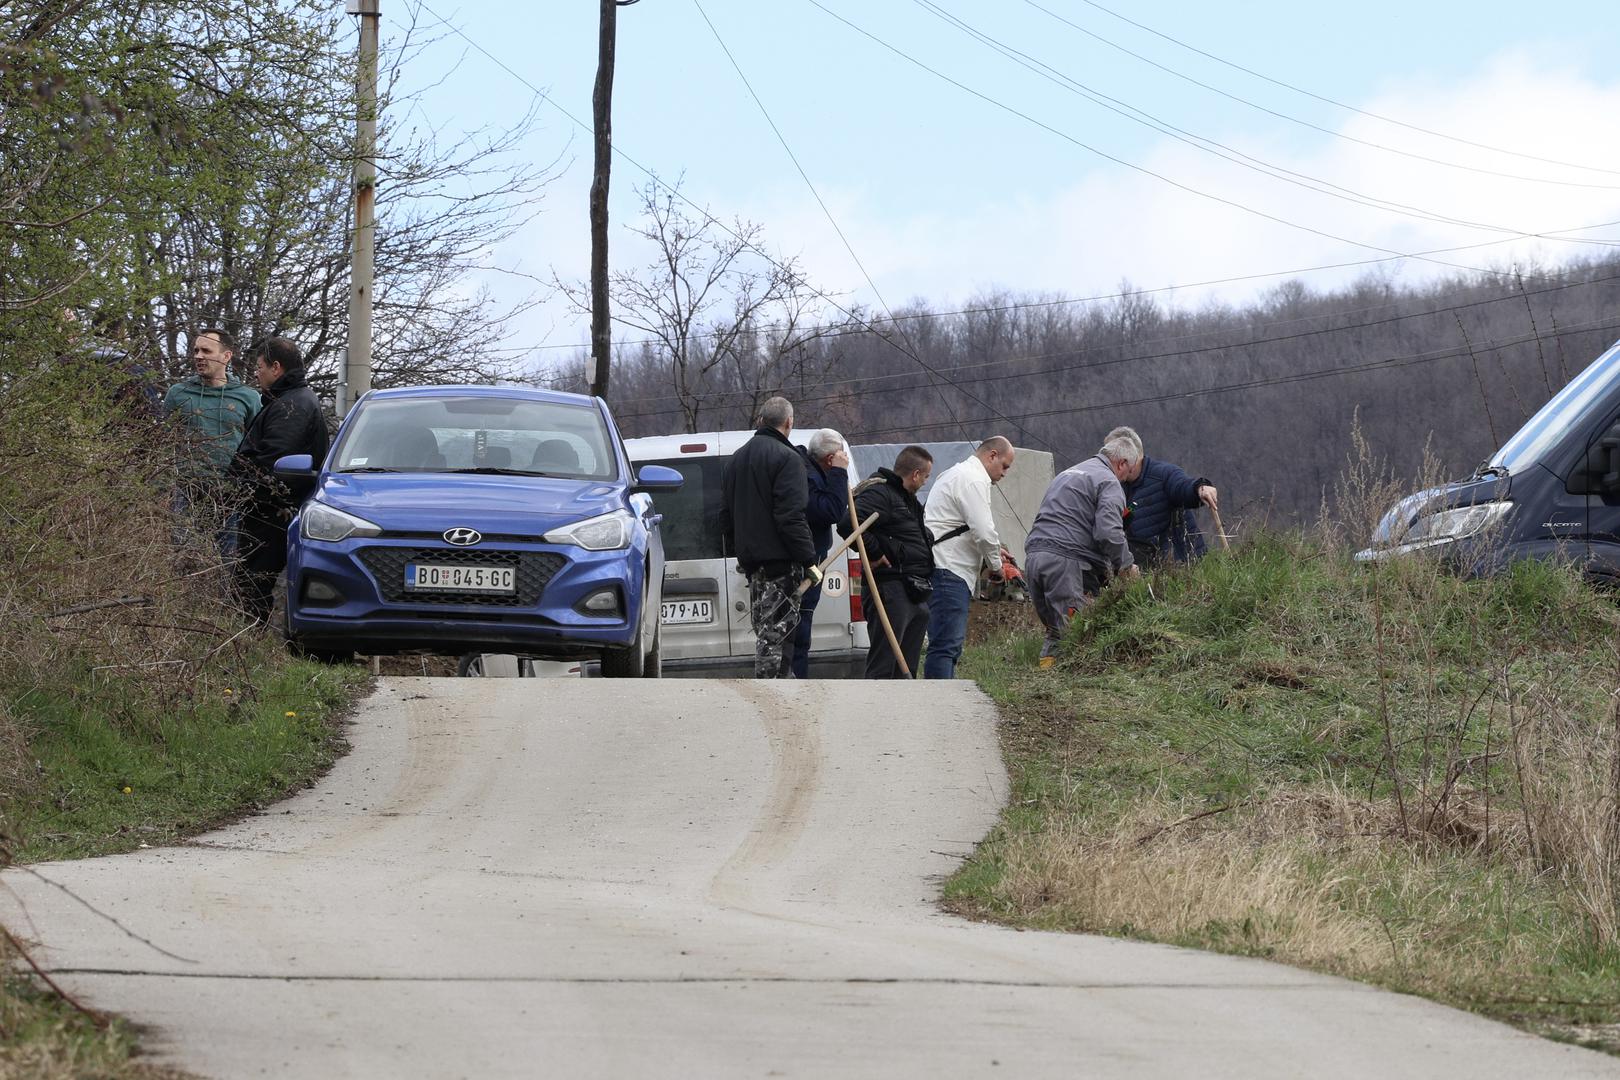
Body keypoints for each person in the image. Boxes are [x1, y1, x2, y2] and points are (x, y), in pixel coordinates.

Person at [227, 337, 329, 624]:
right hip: (267, 510)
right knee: (248, 584)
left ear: (276, 367)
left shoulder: (292, 406)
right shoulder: (287, 400)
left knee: (251, 585)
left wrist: (239, 491)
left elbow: (273, 462)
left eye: (259, 367)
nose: (256, 373)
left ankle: (247, 648)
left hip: (271, 513)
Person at [718, 397, 817, 678]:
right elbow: (791, 517)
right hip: (781, 566)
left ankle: (780, 692)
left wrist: (744, 551)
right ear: (789, 423)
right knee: (777, 637)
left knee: (766, 631)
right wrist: (808, 559)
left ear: (760, 420)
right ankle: (773, 700)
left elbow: (725, 517)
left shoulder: (736, 460)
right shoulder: (788, 459)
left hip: (754, 567)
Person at [1024, 435, 1141, 669]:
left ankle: (1044, 682)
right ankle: (1065, 693)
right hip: (1065, 563)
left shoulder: (1067, 474)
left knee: (1056, 632)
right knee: (1075, 635)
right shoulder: (1108, 481)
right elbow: (1108, 531)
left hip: (1034, 558)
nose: (1124, 480)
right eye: (1127, 474)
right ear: (1121, 464)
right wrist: (1127, 566)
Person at [922, 436, 1015, 679]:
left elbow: (962, 527)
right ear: (991, 455)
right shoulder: (974, 479)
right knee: (945, 647)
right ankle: (940, 706)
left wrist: (993, 554)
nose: (1005, 473)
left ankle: (941, 703)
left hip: (942, 566)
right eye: (1004, 465)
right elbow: (984, 531)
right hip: (949, 570)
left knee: (945, 646)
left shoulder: (955, 474)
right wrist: (996, 565)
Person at [839, 445, 934, 679]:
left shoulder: (907, 500)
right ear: (916, 474)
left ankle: (902, 712)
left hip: (913, 588)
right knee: (884, 663)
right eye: (926, 477)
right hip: (891, 588)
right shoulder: (881, 493)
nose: (925, 482)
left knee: (905, 668)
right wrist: (874, 552)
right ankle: (876, 711)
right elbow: (849, 523)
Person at [164, 328, 261, 558]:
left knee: (225, 563)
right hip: (186, 491)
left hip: (228, 494)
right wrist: (163, 488)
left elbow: (255, 446)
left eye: (206, 350)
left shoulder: (247, 397)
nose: (199, 356)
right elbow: (161, 444)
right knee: (182, 560)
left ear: (226, 356)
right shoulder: (178, 394)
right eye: (196, 350)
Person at [1106, 425, 1219, 569]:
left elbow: (1183, 487)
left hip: (1183, 568)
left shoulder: (1163, 474)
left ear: (1128, 457)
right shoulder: (1116, 487)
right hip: (1148, 575)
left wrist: (1200, 488)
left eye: (1111, 457)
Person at [790, 428, 850, 679]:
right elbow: (831, 511)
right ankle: (795, 682)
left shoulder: (810, 469)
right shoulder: (808, 476)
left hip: (814, 559)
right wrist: (839, 473)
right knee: (799, 629)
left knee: (803, 624)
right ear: (829, 459)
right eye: (839, 458)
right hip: (806, 562)